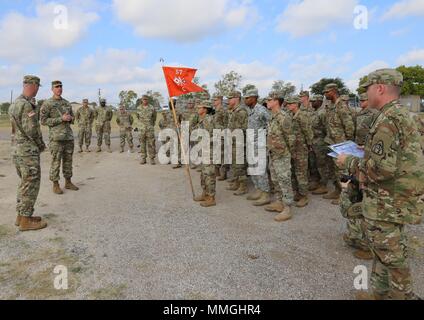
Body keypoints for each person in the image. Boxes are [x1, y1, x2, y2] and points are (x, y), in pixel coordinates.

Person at [337, 68, 424, 300]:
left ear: (380, 88)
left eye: (367, 88)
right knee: (383, 251)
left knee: (392, 256)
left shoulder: (389, 119)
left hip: (388, 201)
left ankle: (402, 296)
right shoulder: (399, 115)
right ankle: (380, 292)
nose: (365, 93)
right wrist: (367, 154)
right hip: (394, 199)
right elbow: (396, 157)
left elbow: (379, 170)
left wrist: (348, 161)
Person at [9, 75, 48, 231]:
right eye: (37, 86)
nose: (38, 89)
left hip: (17, 150)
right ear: (31, 85)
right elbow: (32, 130)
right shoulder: (25, 105)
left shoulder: (14, 104)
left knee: (24, 183)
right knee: (31, 183)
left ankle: (21, 216)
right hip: (27, 151)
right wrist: (41, 145)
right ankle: (26, 221)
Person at [41, 80, 79, 195]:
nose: (59, 89)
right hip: (56, 138)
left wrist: (70, 118)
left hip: (68, 137)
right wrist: (60, 119)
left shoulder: (67, 103)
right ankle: (55, 184)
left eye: (61, 87)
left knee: (68, 161)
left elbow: (72, 118)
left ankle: (68, 181)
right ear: (52, 89)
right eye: (57, 87)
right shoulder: (47, 103)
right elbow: (43, 121)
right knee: (56, 162)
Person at [265, 92, 295, 222]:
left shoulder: (283, 117)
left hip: (282, 155)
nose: (267, 102)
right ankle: (279, 202)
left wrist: (286, 153)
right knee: (275, 180)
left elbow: (291, 138)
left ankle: (287, 208)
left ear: (276, 101)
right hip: (273, 153)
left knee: (284, 180)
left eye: (269, 99)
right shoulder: (272, 117)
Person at [323, 83, 355, 205]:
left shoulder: (341, 105)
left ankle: (346, 195)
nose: (325, 95)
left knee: (343, 171)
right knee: (335, 170)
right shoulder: (332, 106)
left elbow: (349, 125)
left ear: (333, 91)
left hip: (341, 144)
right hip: (333, 143)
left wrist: (347, 143)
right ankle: (337, 190)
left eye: (327, 92)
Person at [244, 88, 271, 206]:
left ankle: (265, 194)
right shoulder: (251, 110)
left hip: (259, 144)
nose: (245, 100)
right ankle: (258, 189)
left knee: (260, 169)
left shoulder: (261, 110)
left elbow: (271, 124)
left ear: (254, 98)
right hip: (251, 144)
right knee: (253, 168)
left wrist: (263, 137)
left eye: (247, 98)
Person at [286, 96, 313, 208]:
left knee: (301, 172)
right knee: (294, 172)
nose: (288, 105)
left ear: (296, 104)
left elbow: (308, 131)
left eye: (290, 103)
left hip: (301, 148)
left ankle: (304, 196)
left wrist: (310, 144)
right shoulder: (291, 115)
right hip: (293, 148)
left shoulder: (302, 115)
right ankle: (297, 192)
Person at [193, 101, 217, 207]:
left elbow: (214, 136)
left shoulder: (209, 120)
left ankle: (211, 198)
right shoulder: (202, 120)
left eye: (200, 107)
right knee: (203, 174)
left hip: (209, 151)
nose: (198, 108)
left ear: (205, 109)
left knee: (209, 174)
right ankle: (205, 193)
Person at [226, 91, 249, 196]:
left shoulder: (241, 111)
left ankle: (243, 186)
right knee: (234, 164)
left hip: (239, 141)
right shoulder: (233, 110)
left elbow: (243, 128)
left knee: (240, 165)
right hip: (233, 141)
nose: (228, 101)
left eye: (230, 98)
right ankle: (236, 182)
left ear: (236, 98)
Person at [212, 93, 229, 181]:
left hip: (222, 135)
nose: (213, 102)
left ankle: (224, 173)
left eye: (215, 100)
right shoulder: (216, 110)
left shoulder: (223, 110)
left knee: (223, 155)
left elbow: (226, 123)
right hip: (216, 134)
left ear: (220, 100)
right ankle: (217, 171)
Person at [136, 94, 157, 165]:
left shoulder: (152, 108)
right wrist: (141, 125)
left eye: (146, 99)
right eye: (143, 99)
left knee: (151, 144)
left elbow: (154, 117)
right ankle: (143, 158)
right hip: (142, 129)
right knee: (142, 144)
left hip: (149, 129)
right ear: (142, 100)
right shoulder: (138, 108)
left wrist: (151, 125)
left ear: (148, 100)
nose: (145, 100)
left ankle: (152, 158)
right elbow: (138, 117)